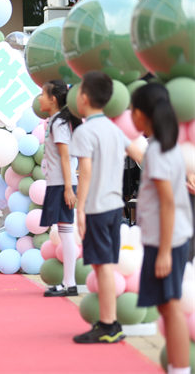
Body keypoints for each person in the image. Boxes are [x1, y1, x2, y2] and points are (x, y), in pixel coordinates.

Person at [71, 71, 142, 344]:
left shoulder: (85, 131)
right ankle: (109, 323)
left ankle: (109, 324)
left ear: (85, 97)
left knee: (102, 267)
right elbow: (139, 154)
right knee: (106, 265)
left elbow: (85, 172)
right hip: (114, 206)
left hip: (97, 208)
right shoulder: (115, 129)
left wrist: (81, 209)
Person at [130, 83, 192, 373]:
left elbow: (167, 203)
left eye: (132, 111)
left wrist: (165, 251)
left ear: (143, 115)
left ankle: (179, 368)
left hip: (167, 240)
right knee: (168, 307)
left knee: (170, 307)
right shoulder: (166, 145)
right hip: (168, 236)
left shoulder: (157, 150)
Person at [38, 80, 82, 297]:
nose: (39, 99)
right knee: (64, 232)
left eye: (42, 94)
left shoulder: (60, 123)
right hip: (57, 182)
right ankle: (68, 282)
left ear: (53, 99)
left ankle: (70, 283)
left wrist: (68, 188)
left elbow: (66, 156)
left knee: (66, 233)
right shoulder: (55, 120)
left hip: (61, 183)